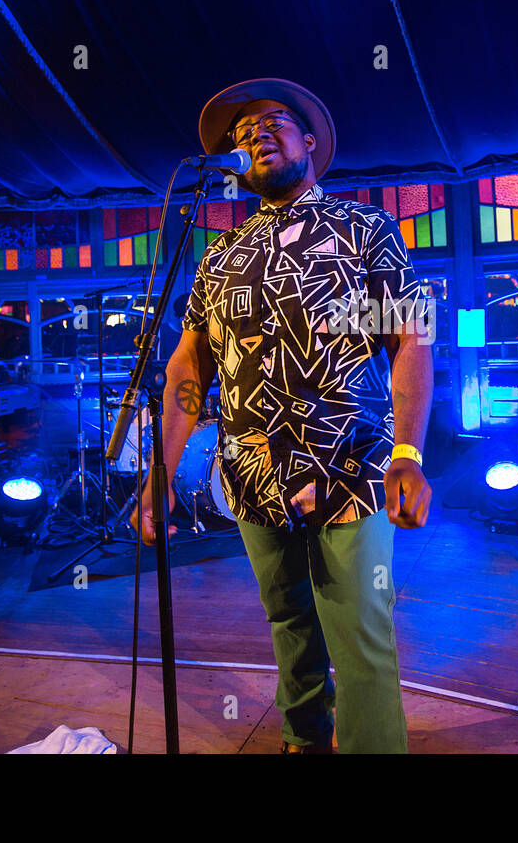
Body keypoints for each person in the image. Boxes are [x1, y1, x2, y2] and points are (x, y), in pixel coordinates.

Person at [133, 78, 433, 753]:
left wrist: (409, 455)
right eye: (242, 134)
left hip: (352, 469)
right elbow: (188, 368)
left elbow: (411, 338)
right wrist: (158, 472)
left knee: (359, 635)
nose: (255, 135)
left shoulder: (366, 228)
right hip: (249, 474)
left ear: (310, 142)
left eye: (272, 123)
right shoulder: (217, 255)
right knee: (289, 624)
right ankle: (302, 740)